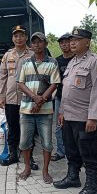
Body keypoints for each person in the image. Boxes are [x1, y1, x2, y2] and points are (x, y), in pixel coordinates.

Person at [53, 29, 97, 194]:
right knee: (71, 149)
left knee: (89, 153)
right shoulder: (72, 61)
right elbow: (65, 90)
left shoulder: (95, 61)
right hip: (68, 115)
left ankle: (91, 188)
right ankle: (73, 177)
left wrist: (93, 117)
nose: (72, 43)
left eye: (77, 39)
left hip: (84, 117)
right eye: (71, 40)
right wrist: (61, 112)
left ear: (87, 42)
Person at [17, 32, 60, 182]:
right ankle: (27, 167)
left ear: (45, 44)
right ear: (31, 45)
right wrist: (35, 97)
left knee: (47, 142)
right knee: (24, 142)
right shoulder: (25, 62)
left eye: (39, 42)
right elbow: (20, 83)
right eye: (34, 42)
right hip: (26, 110)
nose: (36, 45)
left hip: (45, 110)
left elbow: (54, 84)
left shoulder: (52, 62)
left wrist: (41, 101)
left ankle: (45, 171)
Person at [0, 25, 35, 167]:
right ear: (12, 38)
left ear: (26, 37)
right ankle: (13, 155)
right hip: (11, 98)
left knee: (29, 128)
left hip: (28, 98)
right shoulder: (8, 55)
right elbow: (2, 77)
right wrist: (0, 96)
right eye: (16, 36)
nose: (18, 38)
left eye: (21, 35)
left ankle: (29, 158)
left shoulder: (32, 54)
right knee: (12, 127)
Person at [51, 33, 75, 162]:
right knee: (59, 126)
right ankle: (61, 151)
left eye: (66, 42)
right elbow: (54, 80)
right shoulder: (57, 61)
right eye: (62, 43)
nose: (64, 45)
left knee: (74, 126)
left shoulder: (77, 60)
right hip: (60, 97)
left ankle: (76, 153)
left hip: (75, 99)